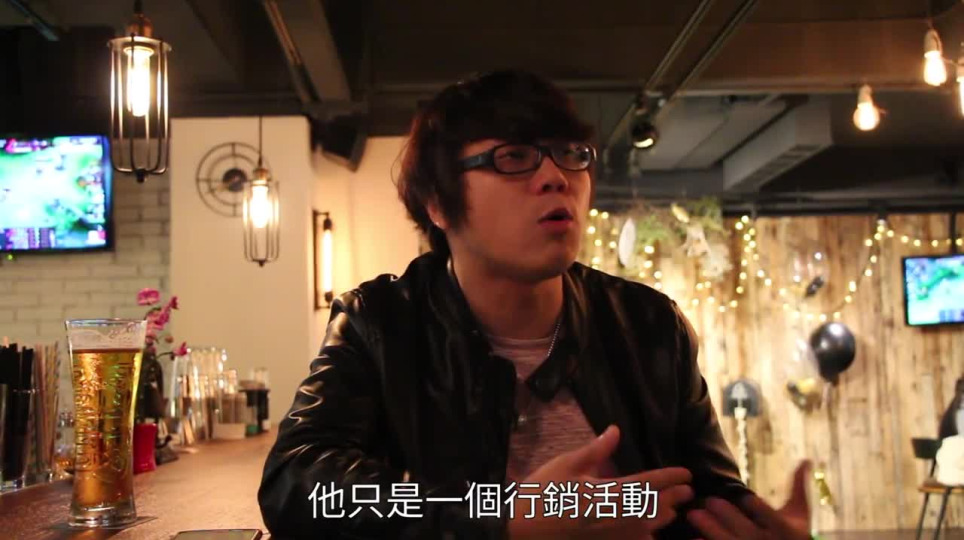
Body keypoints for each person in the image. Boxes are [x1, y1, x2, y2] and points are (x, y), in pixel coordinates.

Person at [258, 70, 811, 539]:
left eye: (571, 155)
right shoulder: (380, 323)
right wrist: (502, 519)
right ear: (438, 204)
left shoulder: (648, 325)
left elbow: (704, 497)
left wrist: (757, 525)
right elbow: (297, 487)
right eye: (514, 157)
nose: (556, 177)